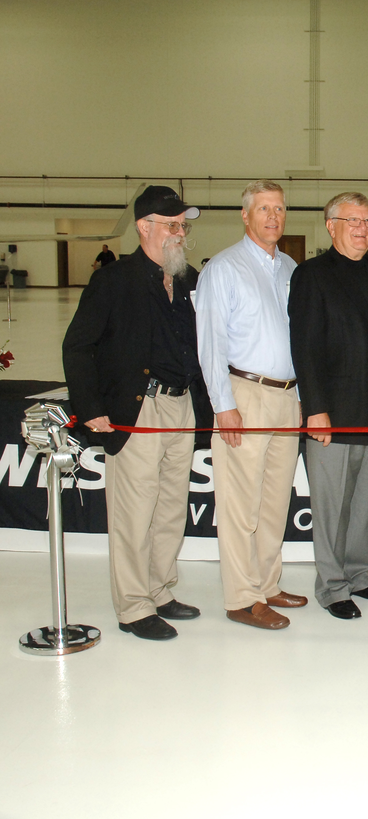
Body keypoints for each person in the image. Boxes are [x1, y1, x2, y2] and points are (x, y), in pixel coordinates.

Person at [63, 185, 208, 641]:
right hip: (138, 408)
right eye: (172, 225)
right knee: (134, 510)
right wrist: (92, 409)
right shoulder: (114, 280)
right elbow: (78, 346)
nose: (180, 233)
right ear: (145, 226)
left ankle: (160, 589)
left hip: (180, 404)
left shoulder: (187, 278)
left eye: (183, 226)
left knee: (169, 508)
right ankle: (133, 607)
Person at [289, 192, 368, 620]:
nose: (362, 229)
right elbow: (304, 347)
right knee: (333, 503)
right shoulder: (312, 275)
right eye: (352, 220)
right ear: (331, 226)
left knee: (365, 500)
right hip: (334, 411)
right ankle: (332, 586)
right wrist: (314, 409)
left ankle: (358, 574)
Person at [195, 180, 307, 631]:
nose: (273, 217)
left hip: (287, 397)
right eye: (263, 209)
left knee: (275, 500)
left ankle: (266, 581)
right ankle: (242, 597)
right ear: (246, 216)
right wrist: (223, 405)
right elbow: (210, 344)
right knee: (241, 502)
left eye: (279, 209)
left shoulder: (290, 269)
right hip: (245, 394)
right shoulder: (223, 269)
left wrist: (301, 399)